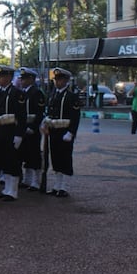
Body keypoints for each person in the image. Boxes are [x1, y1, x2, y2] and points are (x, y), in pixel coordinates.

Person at [41, 68, 81, 197]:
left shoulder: (71, 96)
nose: (57, 82)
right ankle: (57, 185)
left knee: (65, 158)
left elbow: (75, 117)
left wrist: (71, 132)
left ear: (65, 80)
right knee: (56, 158)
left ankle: (64, 186)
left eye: (59, 79)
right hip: (54, 131)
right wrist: (45, 122)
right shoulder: (53, 94)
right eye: (56, 79)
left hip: (65, 131)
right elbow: (50, 112)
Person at [0, 65, 27, 202]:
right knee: (3, 161)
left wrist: (19, 135)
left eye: (1, 77)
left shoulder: (17, 93)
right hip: (1, 131)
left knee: (12, 161)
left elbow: (21, 116)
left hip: (12, 132)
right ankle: (7, 188)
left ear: (8, 77)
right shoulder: (0, 93)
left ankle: (13, 191)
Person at [18, 67, 46, 192]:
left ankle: (36, 181)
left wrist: (33, 127)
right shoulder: (23, 92)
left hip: (32, 129)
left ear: (31, 79)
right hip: (24, 128)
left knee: (34, 155)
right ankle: (27, 179)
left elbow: (39, 113)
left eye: (24, 79)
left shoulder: (37, 93)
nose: (22, 81)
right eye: (21, 79)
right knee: (25, 154)